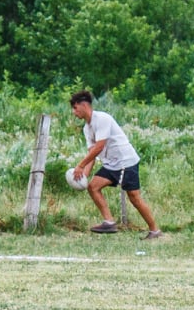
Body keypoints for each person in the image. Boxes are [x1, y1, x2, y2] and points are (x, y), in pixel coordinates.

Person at [68, 90, 162, 239]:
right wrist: (84, 175)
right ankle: (109, 222)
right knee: (93, 186)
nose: (74, 112)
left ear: (84, 105)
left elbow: (99, 146)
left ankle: (155, 231)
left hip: (126, 161)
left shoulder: (102, 119)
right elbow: (92, 153)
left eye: (75, 107)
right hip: (111, 164)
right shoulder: (87, 128)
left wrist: (80, 165)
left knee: (134, 198)